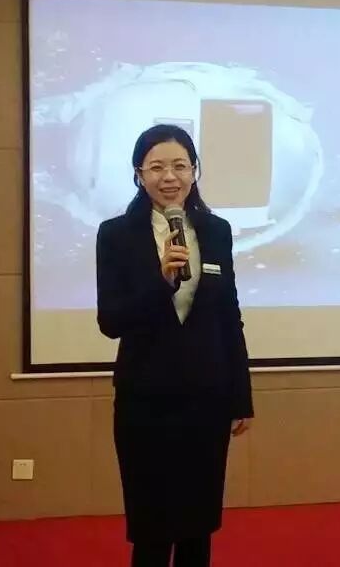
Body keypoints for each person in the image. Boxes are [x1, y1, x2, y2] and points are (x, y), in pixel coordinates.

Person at [95, 124, 254, 567]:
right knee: (152, 526)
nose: (170, 177)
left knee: (197, 527)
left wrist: (240, 397)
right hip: (145, 402)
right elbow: (110, 321)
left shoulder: (216, 231)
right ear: (138, 174)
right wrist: (160, 281)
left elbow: (229, 317)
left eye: (180, 166)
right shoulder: (116, 235)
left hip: (207, 400)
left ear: (195, 170)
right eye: (157, 167)